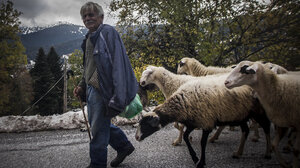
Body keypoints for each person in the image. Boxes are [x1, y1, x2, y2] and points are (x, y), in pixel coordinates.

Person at [73, 2, 138, 168]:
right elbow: (88, 66)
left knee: (98, 129)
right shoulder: (89, 37)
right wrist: (82, 85)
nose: (88, 18)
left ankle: (97, 164)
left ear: (101, 17)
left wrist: (119, 93)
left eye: (91, 15)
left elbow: (118, 64)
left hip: (103, 90)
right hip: (91, 88)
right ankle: (124, 146)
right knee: (102, 124)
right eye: (85, 16)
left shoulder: (108, 33)